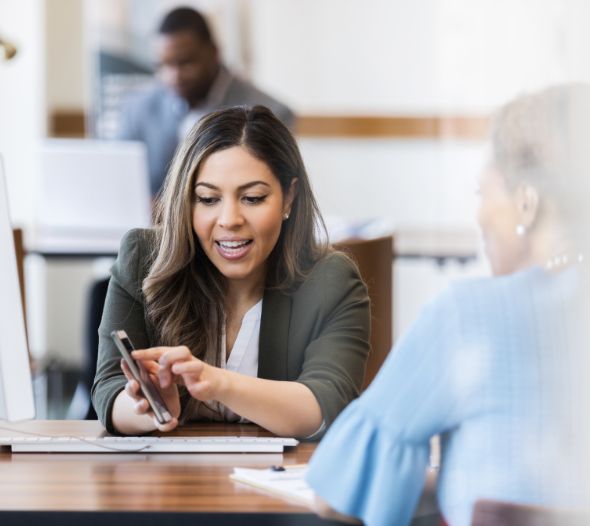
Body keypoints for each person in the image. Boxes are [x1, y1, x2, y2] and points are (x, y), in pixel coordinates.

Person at [306, 84, 590, 525]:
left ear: (527, 202)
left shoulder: (471, 315)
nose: (479, 215)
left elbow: (339, 496)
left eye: (483, 192)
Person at [92, 105, 370, 438]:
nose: (229, 220)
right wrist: (150, 410)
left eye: (252, 198)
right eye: (208, 199)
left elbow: (323, 406)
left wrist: (218, 382)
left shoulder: (330, 280)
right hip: (169, 483)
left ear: (288, 198)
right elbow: (109, 389)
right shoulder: (143, 258)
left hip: (279, 482)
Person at [117, 6, 295, 196]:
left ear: (214, 52)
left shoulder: (270, 112)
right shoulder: (137, 109)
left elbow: (269, 194)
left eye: (185, 63)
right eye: (163, 65)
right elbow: (118, 178)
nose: (173, 76)